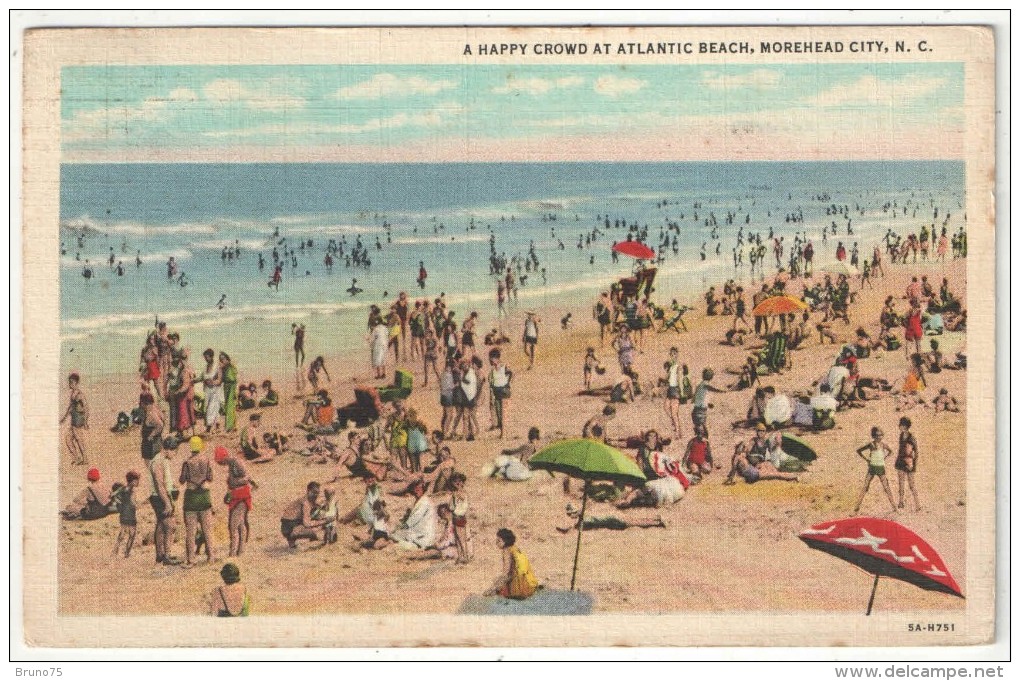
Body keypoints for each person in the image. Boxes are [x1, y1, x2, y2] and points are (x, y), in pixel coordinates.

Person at [179, 435, 216, 566]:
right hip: (205, 495)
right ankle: (211, 556)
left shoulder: (187, 462)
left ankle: (191, 559)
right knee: (207, 529)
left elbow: (182, 480)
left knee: (191, 531)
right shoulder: (206, 460)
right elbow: (210, 477)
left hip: (191, 496)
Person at [215, 445, 256, 557]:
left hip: (241, 496)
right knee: (240, 525)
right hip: (236, 496)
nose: (220, 465)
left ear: (223, 458)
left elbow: (247, 477)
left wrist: (234, 483)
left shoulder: (237, 462)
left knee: (233, 526)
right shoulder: (231, 464)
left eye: (220, 462)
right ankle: (240, 551)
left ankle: (233, 553)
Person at [147, 439, 180, 565]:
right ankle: (167, 555)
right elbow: (159, 485)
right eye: (174, 452)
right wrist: (167, 502)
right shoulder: (158, 462)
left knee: (161, 525)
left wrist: (172, 486)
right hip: (160, 497)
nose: (174, 455)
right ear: (168, 449)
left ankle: (160, 555)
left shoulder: (161, 460)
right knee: (170, 525)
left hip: (160, 496)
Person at [853, 426, 898, 514]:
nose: (879, 437)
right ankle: (856, 508)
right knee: (865, 487)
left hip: (880, 467)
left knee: (886, 487)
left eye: (881, 435)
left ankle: (895, 508)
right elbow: (859, 450)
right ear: (874, 436)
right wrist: (867, 460)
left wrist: (884, 458)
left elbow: (891, 451)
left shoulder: (883, 445)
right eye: (877, 435)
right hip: (872, 467)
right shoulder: (871, 444)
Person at [484, 528, 538, 600]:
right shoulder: (514, 548)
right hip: (528, 583)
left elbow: (506, 573)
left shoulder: (506, 551)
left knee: (498, 586)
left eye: (499, 541)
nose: (496, 543)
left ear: (505, 541)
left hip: (519, 588)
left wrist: (493, 589)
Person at [280, 482, 331, 549]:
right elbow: (307, 524)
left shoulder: (305, 500)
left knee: (316, 516)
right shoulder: (305, 503)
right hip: (290, 528)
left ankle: (292, 542)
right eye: (313, 492)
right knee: (317, 531)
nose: (315, 495)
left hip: (287, 526)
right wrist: (325, 521)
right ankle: (295, 537)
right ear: (308, 491)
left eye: (317, 493)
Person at [723, 441, 799, 485]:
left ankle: (791, 477)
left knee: (771, 470)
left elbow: (734, 469)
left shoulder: (737, 456)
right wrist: (730, 479)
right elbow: (733, 469)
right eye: (743, 447)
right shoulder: (738, 457)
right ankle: (793, 477)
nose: (744, 448)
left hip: (752, 472)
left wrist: (729, 478)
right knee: (775, 474)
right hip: (752, 474)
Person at [392, 478, 437, 549]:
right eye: (415, 489)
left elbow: (415, 518)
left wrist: (404, 526)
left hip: (423, 534)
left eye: (419, 489)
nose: (416, 491)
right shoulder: (420, 500)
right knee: (396, 533)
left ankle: (415, 545)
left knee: (395, 535)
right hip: (419, 531)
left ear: (423, 489)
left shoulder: (425, 502)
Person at [61, 372, 89, 465]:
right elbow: (70, 407)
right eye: (69, 382)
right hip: (73, 421)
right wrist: (64, 418)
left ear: (76, 383)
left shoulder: (80, 395)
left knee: (79, 440)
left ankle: (85, 459)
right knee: (68, 439)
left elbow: (86, 408)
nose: (70, 384)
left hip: (78, 421)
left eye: (71, 382)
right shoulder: (73, 394)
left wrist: (85, 422)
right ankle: (77, 458)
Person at [895, 417, 922, 511]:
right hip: (900, 461)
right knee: (901, 483)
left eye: (901, 425)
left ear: (905, 426)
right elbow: (900, 449)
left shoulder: (912, 437)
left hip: (909, 462)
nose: (900, 426)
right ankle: (901, 502)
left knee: (911, 485)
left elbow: (916, 452)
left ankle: (918, 505)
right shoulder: (901, 435)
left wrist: (913, 464)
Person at [112, 470, 140, 557]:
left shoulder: (122, 488)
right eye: (137, 480)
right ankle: (127, 553)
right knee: (132, 534)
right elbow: (133, 504)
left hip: (123, 514)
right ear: (133, 481)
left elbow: (112, 496)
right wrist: (141, 504)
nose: (138, 482)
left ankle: (115, 551)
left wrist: (119, 503)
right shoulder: (132, 491)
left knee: (122, 533)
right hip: (131, 515)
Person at [449, 472, 474, 563]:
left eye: (459, 482)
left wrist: (455, 496)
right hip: (456, 517)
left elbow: (455, 505)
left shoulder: (461, 493)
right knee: (457, 539)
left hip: (459, 517)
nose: (458, 484)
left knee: (461, 538)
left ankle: (465, 556)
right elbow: (451, 507)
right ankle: (460, 556)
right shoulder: (456, 493)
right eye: (455, 482)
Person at [488, 348, 512, 438]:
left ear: (495, 358)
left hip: (504, 391)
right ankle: (502, 432)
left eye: (491, 358)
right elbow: (491, 384)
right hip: (497, 392)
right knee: (499, 413)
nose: (490, 360)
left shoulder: (504, 366)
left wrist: (508, 383)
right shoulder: (492, 370)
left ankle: (503, 433)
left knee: (503, 413)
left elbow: (511, 374)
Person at [201, 349, 224, 434]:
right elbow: (202, 377)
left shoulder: (217, 366)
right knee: (209, 408)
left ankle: (209, 427)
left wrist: (212, 382)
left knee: (212, 408)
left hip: (215, 390)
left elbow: (220, 379)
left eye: (207, 357)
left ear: (211, 356)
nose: (206, 359)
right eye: (205, 357)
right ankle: (217, 426)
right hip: (207, 391)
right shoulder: (205, 367)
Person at [663, 347, 683, 439]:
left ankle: (678, 432)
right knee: (666, 407)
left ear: (677, 355)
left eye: (674, 354)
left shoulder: (678, 366)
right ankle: (676, 425)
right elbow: (667, 378)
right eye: (671, 355)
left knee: (674, 413)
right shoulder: (671, 367)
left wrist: (681, 392)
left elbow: (679, 380)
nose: (672, 356)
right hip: (670, 389)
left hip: (675, 389)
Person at [220, 352, 238, 432]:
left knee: (230, 407)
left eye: (223, 359)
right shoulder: (224, 368)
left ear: (227, 359)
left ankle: (229, 427)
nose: (222, 361)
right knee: (228, 406)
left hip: (231, 387)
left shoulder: (231, 367)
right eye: (220, 359)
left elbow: (233, 378)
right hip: (226, 387)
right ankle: (231, 426)